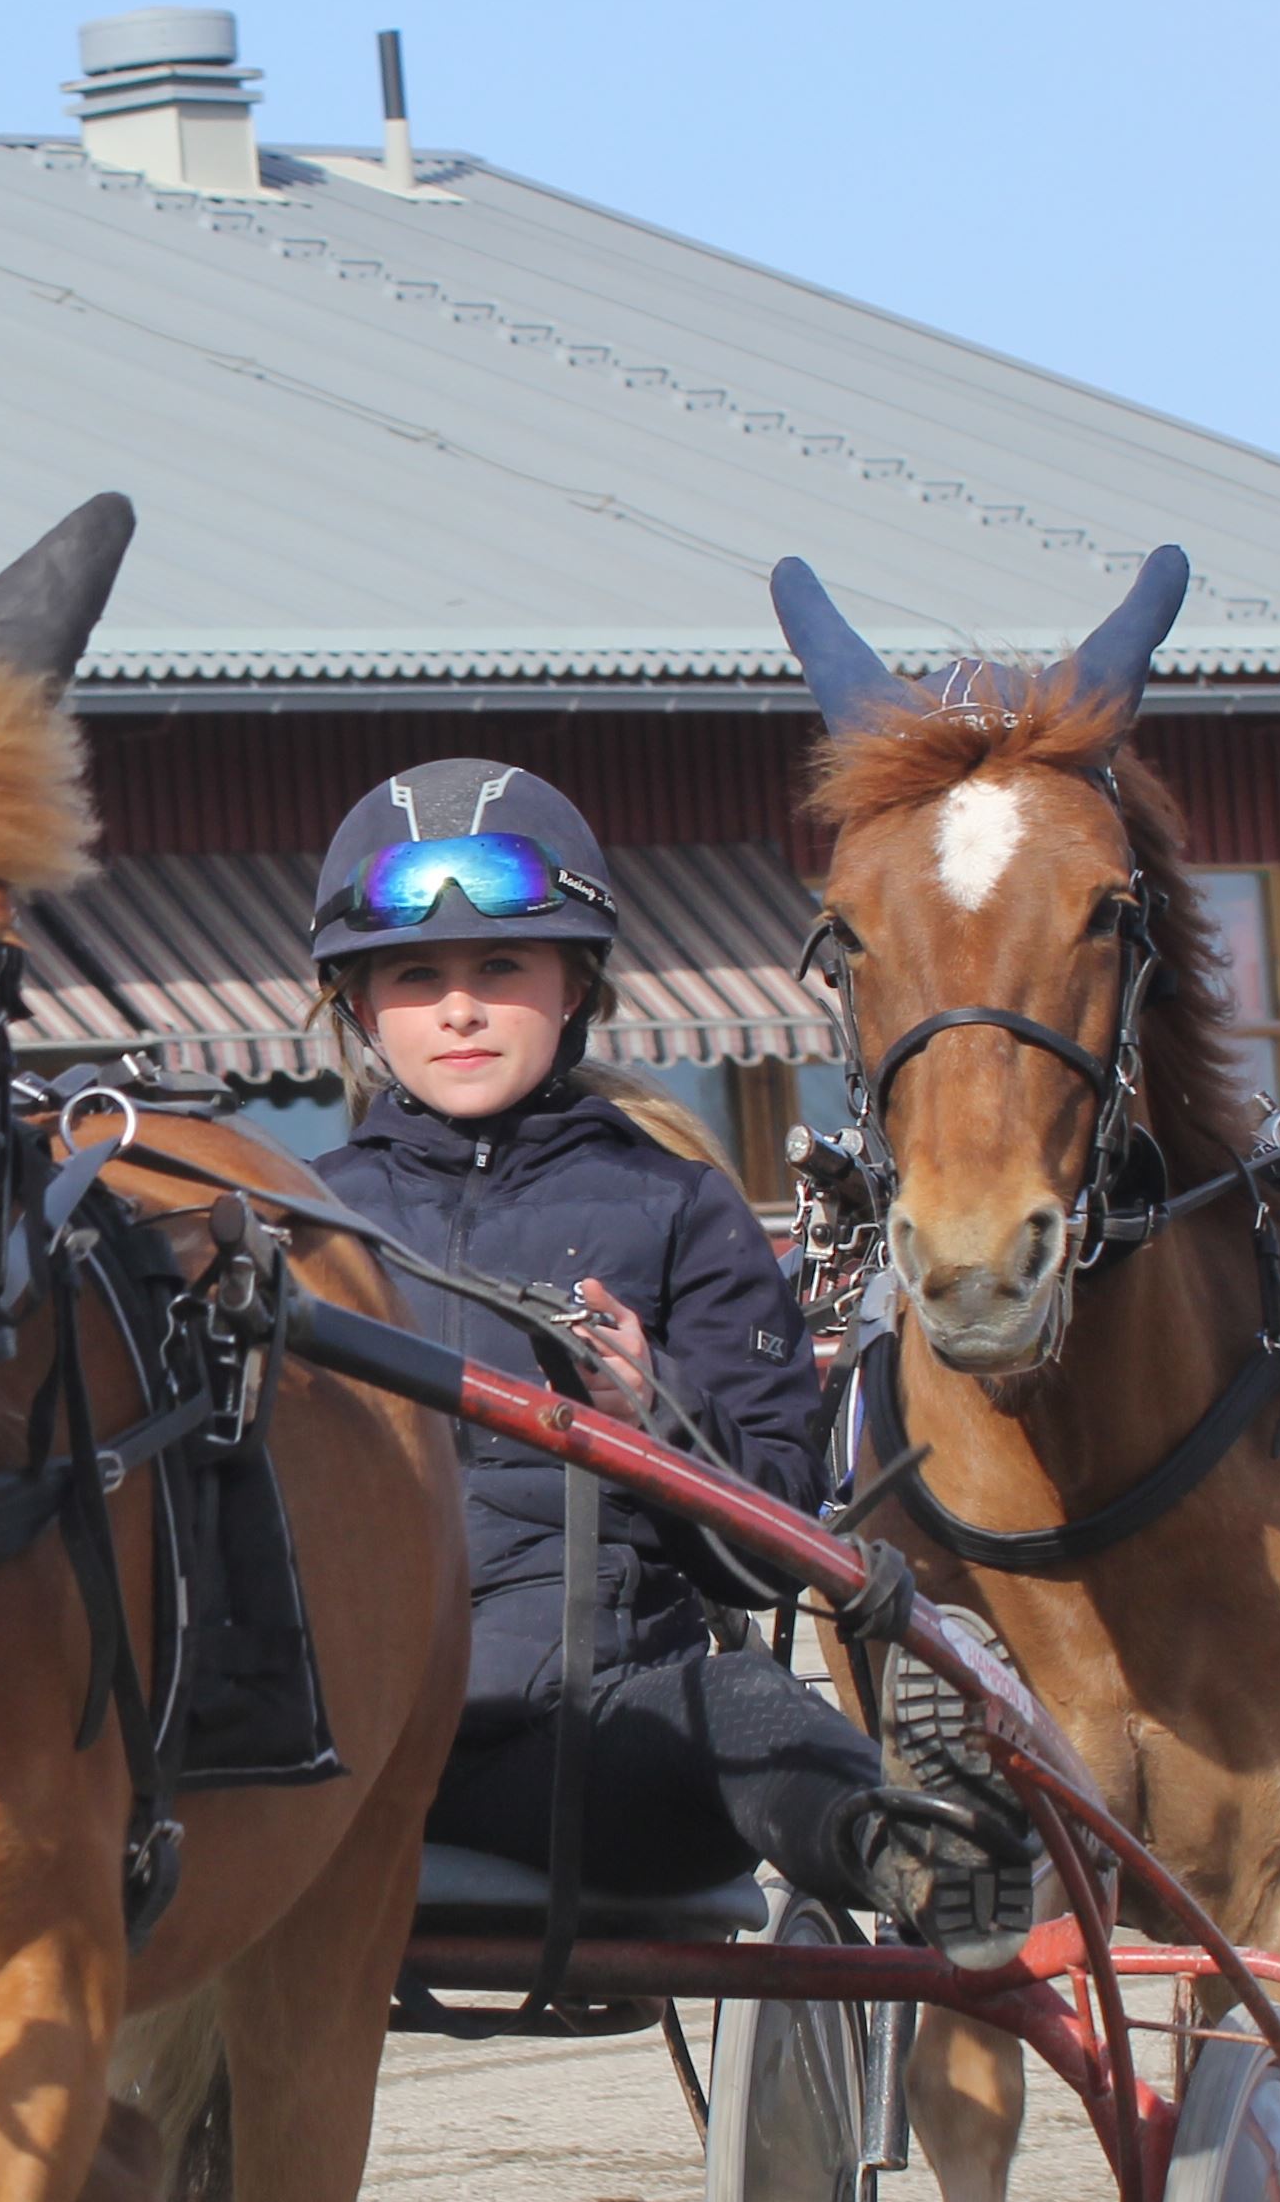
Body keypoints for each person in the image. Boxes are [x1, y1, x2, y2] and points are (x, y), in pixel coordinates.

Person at [307, 762, 1030, 1965]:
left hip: (590, 1752)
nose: (460, 1010)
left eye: (500, 971)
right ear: (361, 1007)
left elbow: (770, 1550)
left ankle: (919, 1850)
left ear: (576, 986)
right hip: (335, 1753)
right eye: (416, 979)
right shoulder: (295, 1220)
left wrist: (652, 1412)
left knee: (739, 1706)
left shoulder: (682, 1208)